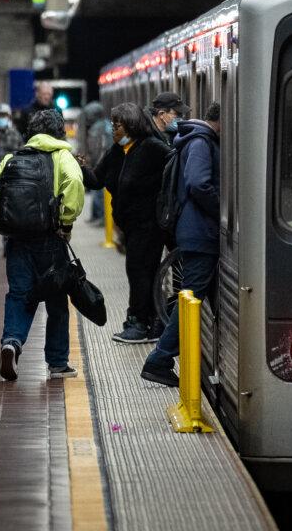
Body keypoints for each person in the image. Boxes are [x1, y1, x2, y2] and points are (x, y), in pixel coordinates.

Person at [0, 109, 85, 381]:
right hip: (50, 239)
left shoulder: (13, 158)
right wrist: (66, 221)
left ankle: (11, 343)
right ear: (59, 132)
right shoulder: (63, 157)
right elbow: (74, 182)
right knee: (56, 300)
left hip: (17, 240)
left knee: (19, 294)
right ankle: (58, 364)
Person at [142, 102, 221, 387]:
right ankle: (159, 360)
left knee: (195, 296)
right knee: (189, 299)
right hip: (200, 233)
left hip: (197, 231)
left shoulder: (196, 138)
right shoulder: (200, 142)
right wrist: (222, 210)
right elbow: (198, 184)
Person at [82, 102, 170, 344]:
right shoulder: (117, 151)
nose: (113, 129)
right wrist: (80, 167)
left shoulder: (152, 148)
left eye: (117, 125)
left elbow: (172, 172)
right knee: (140, 272)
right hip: (130, 226)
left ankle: (140, 323)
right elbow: (96, 180)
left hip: (149, 225)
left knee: (140, 272)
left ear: (131, 126)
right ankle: (152, 322)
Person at [81, 101, 112, 224]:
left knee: (98, 191)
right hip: (106, 162)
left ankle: (100, 217)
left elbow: (96, 148)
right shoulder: (107, 124)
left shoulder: (96, 128)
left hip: (100, 163)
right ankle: (98, 216)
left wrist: (93, 163)